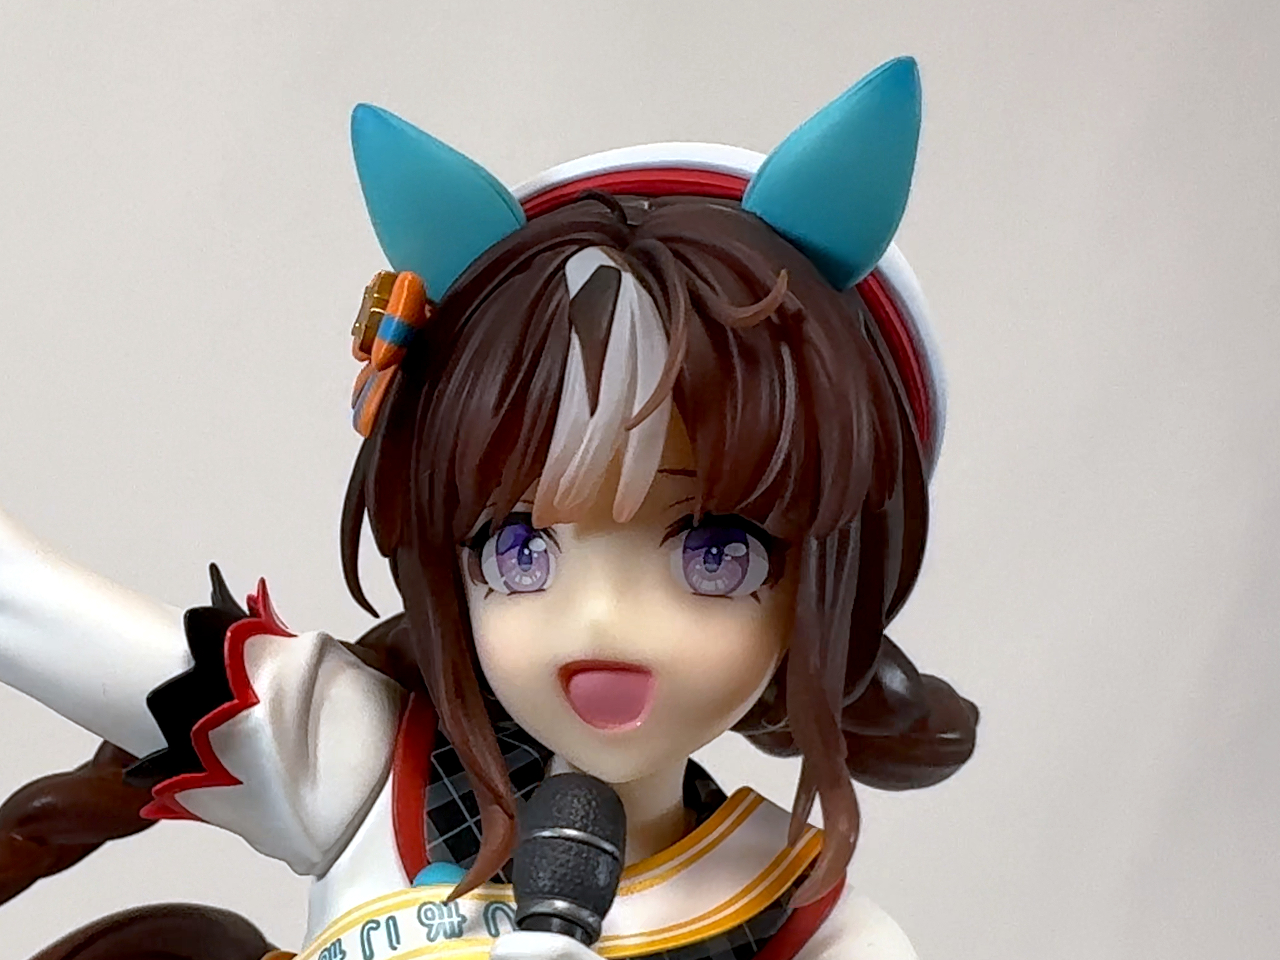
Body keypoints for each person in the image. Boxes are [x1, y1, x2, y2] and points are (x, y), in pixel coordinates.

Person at [0, 56, 977, 960]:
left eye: (716, 553)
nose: (601, 621)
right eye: (521, 550)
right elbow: (35, 611)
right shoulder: (366, 771)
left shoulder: (803, 920)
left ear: (823, 584)